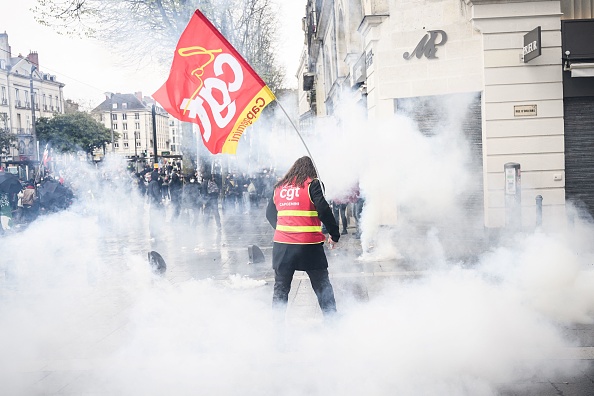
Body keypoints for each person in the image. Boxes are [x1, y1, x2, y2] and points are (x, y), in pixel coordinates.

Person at [266, 156, 340, 319]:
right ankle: (333, 321)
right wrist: (334, 234)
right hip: (309, 246)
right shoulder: (312, 185)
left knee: (281, 289)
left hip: (282, 246)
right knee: (322, 285)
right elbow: (324, 210)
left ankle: (276, 326)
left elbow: (269, 213)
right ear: (311, 170)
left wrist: (282, 229)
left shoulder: (279, 187)